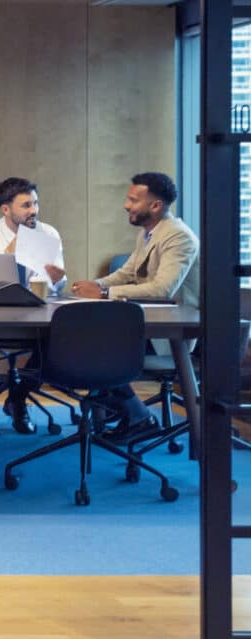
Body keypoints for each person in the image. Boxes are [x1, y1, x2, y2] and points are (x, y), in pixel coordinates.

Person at [69, 171, 199, 439]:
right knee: (88, 337)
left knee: (97, 346)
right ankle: (121, 409)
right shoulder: (149, 234)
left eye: (133, 200)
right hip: (148, 322)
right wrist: (90, 286)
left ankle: (135, 415)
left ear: (155, 205)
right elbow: (126, 273)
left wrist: (104, 293)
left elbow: (163, 289)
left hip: (174, 331)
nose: (126, 205)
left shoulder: (178, 236)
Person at [0, 177, 67, 440]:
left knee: (56, 339)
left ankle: (18, 400)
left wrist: (58, 278)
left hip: (34, 314)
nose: (34, 210)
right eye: (26, 205)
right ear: (5, 209)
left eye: (35, 203)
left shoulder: (48, 234)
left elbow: (56, 287)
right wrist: (16, 248)